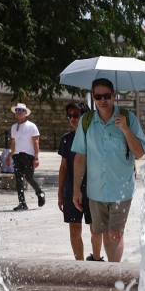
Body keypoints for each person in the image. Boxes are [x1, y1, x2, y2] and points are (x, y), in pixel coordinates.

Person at [72, 78, 145, 263]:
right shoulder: (87, 121)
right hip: (96, 190)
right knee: (102, 233)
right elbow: (80, 156)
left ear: (114, 96)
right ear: (93, 97)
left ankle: (114, 275)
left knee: (115, 234)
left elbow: (139, 153)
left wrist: (125, 130)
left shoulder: (128, 119)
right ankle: (112, 274)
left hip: (121, 189)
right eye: (98, 96)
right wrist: (76, 189)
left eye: (107, 96)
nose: (102, 100)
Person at [57, 102, 103, 261]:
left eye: (76, 115)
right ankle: (79, 264)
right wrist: (60, 193)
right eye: (69, 116)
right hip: (71, 189)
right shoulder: (66, 139)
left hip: (93, 189)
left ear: (84, 116)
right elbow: (63, 167)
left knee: (95, 228)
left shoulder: (95, 138)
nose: (72, 119)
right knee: (74, 228)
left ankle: (96, 259)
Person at [7, 103, 45, 211]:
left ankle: (40, 193)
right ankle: (22, 203)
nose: (19, 112)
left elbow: (36, 142)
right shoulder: (14, 127)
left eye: (21, 110)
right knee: (18, 180)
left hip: (28, 156)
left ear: (25, 113)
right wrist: (10, 155)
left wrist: (36, 157)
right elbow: (13, 142)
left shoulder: (32, 126)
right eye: (17, 110)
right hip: (17, 156)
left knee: (29, 177)